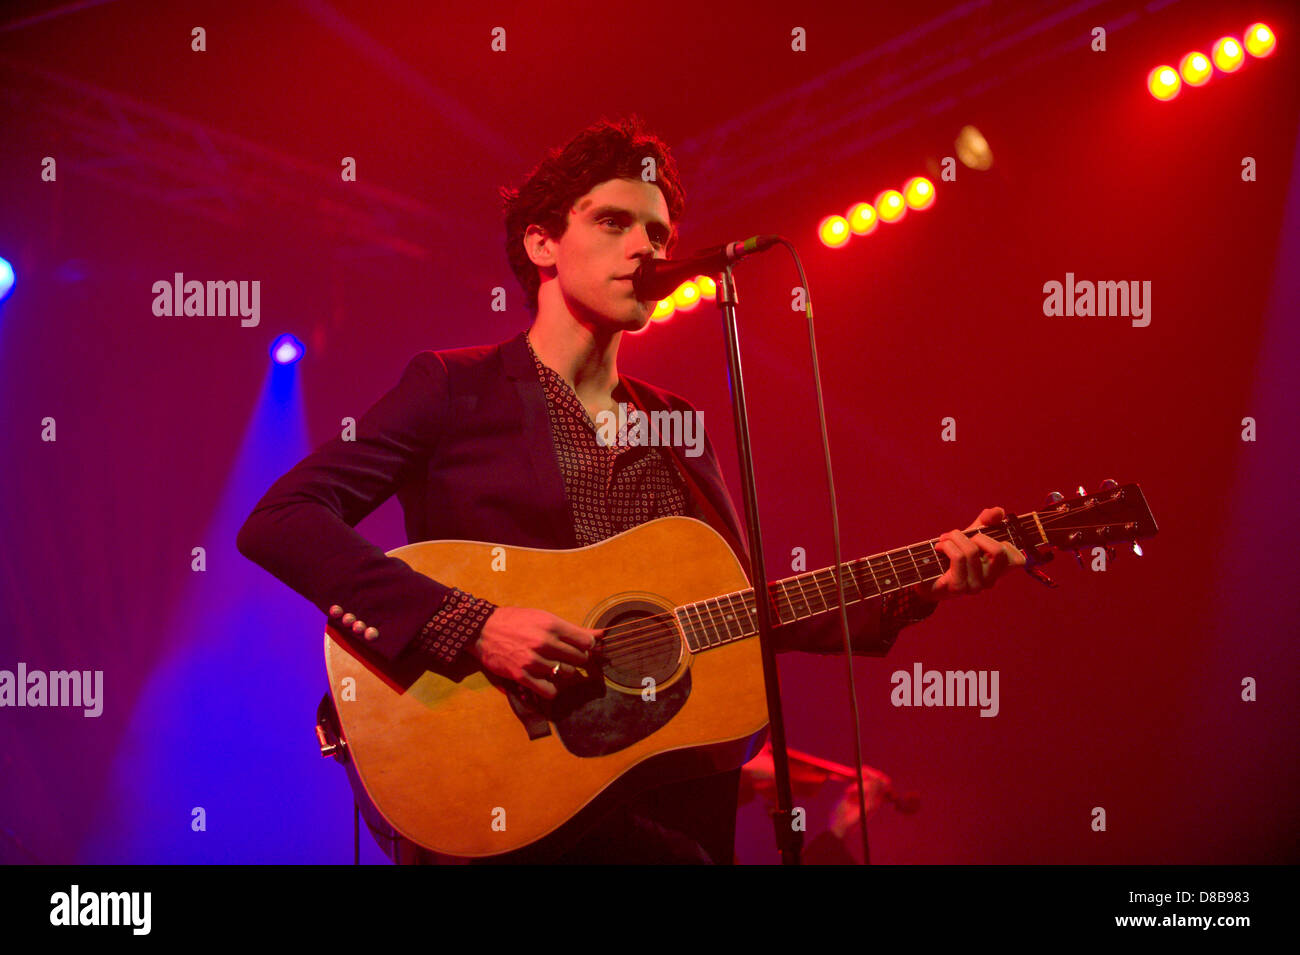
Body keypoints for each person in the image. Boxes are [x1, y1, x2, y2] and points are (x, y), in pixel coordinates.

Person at [236, 115, 1026, 864]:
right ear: (541, 242)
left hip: (674, 815)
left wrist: (923, 584)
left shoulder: (677, 421)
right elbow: (282, 520)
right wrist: (472, 625)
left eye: (658, 232)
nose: (646, 247)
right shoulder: (455, 387)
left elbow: (744, 612)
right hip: (507, 800)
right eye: (615, 222)